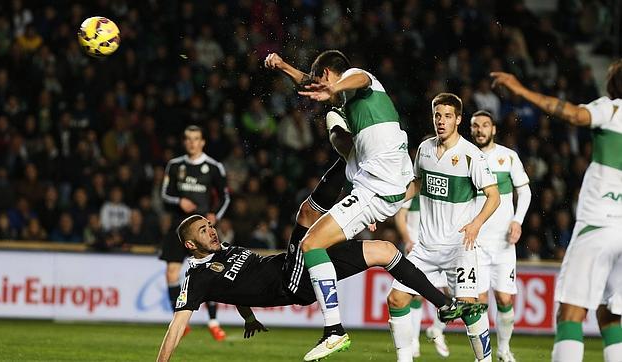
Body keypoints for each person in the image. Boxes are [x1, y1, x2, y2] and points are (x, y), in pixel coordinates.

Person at [156, 154, 486, 362]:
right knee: (305, 214)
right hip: (290, 281)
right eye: (203, 230)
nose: (211, 230)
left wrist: (249, 317)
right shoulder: (195, 279)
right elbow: (175, 328)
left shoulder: (224, 251)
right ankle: (350, 156)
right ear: (189, 245)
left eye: (210, 224)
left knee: (384, 251)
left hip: (299, 267)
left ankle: (444, 304)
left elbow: (233, 287)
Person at [277, 49, 413, 360]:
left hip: (383, 184)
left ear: (328, 73)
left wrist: (334, 89)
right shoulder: (343, 101)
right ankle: (334, 329)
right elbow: (312, 83)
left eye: (322, 78)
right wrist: (283, 66)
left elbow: (358, 77)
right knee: (314, 242)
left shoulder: (362, 81)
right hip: (373, 185)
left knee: (311, 242)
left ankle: (334, 329)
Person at [491, 61, 622, 362]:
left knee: (570, 313)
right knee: (611, 316)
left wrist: (520, 89)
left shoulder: (612, 109)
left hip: (600, 225)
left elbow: (573, 113)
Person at [387, 93, 501, 362]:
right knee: (396, 300)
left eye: (448, 116)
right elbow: (416, 184)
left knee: (471, 311)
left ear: (458, 120)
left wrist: (476, 223)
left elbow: (493, 195)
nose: (441, 121)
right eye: (437, 115)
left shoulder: (471, 156)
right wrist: (385, 204)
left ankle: (484, 360)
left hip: (458, 248)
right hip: (425, 247)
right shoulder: (425, 149)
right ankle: (405, 359)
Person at [470, 110, 532, 362]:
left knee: (505, 298)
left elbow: (525, 192)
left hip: (504, 243)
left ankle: (503, 349)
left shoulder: (508, 157)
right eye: (475, 126)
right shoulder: (465, 157)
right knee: (480, 300)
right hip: (475, 242)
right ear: (471, 130)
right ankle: (483, 356)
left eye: (485, 125)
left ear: (494, 129)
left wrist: (517, 220)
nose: (480, 130)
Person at [159, 125, 230, 341]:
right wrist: (179, 200)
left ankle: (213, 322)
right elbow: (164, 194)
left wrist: (215, 215)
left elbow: (225, 197)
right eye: (188, 139)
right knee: (171, 273)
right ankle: (177, 319)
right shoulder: (175, 165)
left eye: (196, 138)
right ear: (184, 142)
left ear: (202, 142)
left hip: (202, 229)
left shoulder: (214, 167)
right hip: (178, 226)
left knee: (211, 272)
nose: (192, 142)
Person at [395, 194, 451, 358]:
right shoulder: (414, 189)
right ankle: (413, 340)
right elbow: (400, 216)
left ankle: (436, 329)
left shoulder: (441, 188)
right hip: (417, 249)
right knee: (416, 295)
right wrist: (407, 240)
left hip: (441, 247)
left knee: (454, 295)